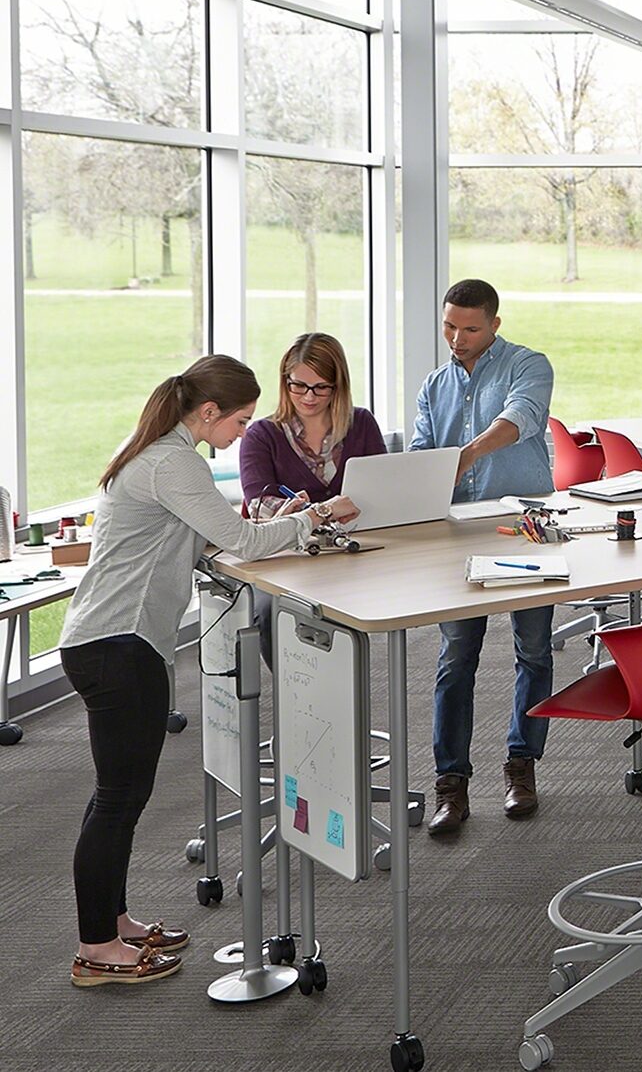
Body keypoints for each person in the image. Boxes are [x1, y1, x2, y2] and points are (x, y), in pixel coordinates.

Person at [58, 356, 359, 986]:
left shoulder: (158, 453)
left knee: (122, 795)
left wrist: (274, 523)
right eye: (242, 421)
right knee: (117, 799)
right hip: (119, 644)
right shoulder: (175, 462)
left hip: (111, 639)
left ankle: (114, 921)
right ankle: (95, 948)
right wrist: (316, 517)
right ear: (209, 413)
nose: (244, 434)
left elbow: (209, 539)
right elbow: (243, 545)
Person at [410, 278, 557, 834]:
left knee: (535, 651)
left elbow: (523, 417)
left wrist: (467, 455)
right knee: (455, 659)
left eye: (470, 328)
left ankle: (522, 767)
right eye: (449, 326)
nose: (457, 338)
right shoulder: (434, 385)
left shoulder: (528, 364)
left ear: (494, 323)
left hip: (524, 528)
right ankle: (452, 782)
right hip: (459, 532)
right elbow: (424, 452)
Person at [238, 332, 387, 514]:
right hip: (293, 541)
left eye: (321, 387)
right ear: (286, 382)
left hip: (363, 536)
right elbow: (259, 507)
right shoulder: (261, 435)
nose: (309, 397)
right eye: (299, 386)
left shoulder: (362, 423)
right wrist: (324, 510)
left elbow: (382, 490)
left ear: (338, 386)